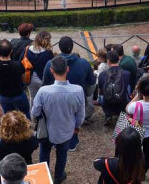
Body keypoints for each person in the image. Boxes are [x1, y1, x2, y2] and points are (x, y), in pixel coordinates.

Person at [31, 56, 84, 184]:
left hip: (47, 131)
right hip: (67, 130)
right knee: (62, 154)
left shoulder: (44, 91)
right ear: (67, 69)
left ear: (51, 70)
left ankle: (45, 176)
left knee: (44, 153)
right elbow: (81, 115)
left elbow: (34, 112)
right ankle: (59, 176)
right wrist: (76, 127)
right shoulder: (78, 90)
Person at [41, 36, 96, 130]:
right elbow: (91, 84)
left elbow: (45, 85)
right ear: (72, 47)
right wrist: (86, 95)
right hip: (77, 101)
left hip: (56, 102)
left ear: (59, 47)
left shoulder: (50, 64)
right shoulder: (84, 63)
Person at [98, 50, 131, 125]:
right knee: (128, 87)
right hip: (122, 101)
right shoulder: (126, 73)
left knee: (101, 95)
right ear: (119, 59)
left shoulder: (102, 74)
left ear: (108, 61)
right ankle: (123, 113)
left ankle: (108, 114)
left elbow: (100, 92)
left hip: (108, 102)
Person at [25, 30, 53, 102]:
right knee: (45, 99)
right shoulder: (48, 53)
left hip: (30, 78)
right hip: (43, 78)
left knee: (33, 98)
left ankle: (33, 113)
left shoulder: (28, 49)